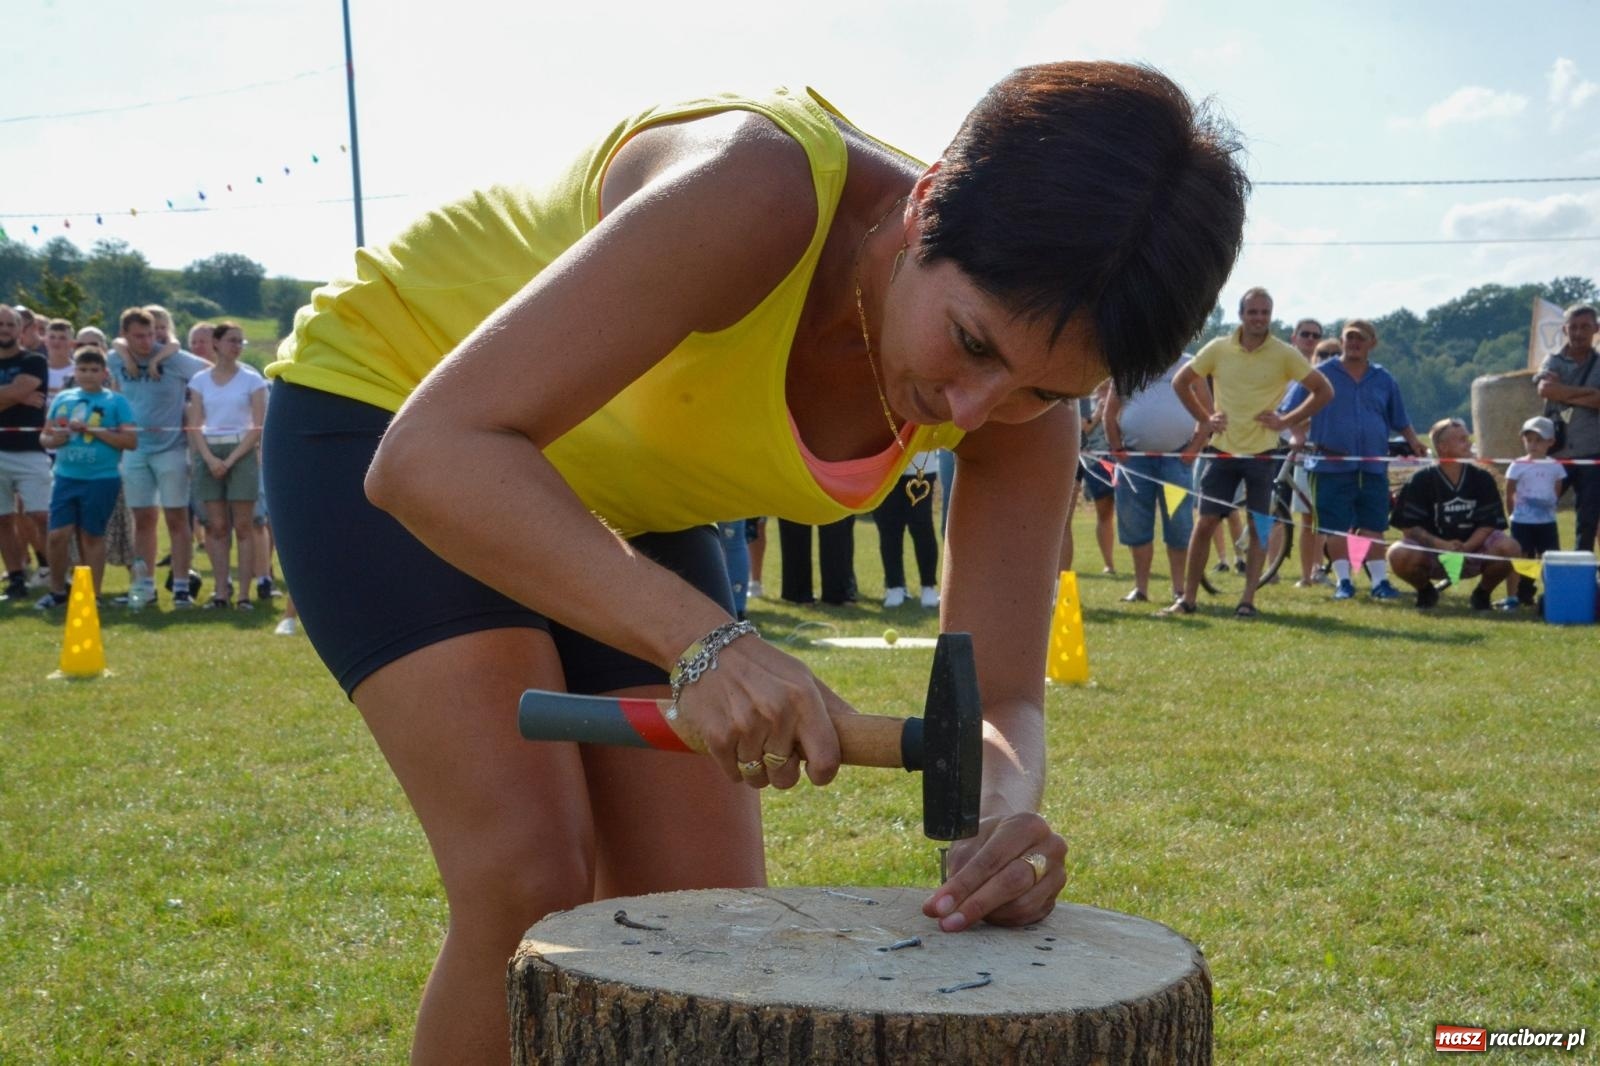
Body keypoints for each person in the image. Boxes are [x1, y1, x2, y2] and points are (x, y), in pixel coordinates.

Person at [263, 64, 1248, 1063]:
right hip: (395, 416)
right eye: (971, 342)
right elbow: (432, 456)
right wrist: (703, 641)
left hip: (629, 496)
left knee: (701, 922)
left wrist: (1001, 812)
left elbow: (999, 698)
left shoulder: (1018, 411)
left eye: (1045, 392)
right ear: (923, 203)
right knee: (527, 877)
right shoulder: (756, 188)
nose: (976, 410)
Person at [1162, 288, 1332, 618]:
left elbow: (1324, 390)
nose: (1259, 318)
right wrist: (1205, 419)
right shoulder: (1218, 348)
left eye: (1265, 312)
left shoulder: (1284, 353)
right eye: (1253, 312)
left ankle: (1247, 600)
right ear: (1241, 315)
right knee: (1205, 523)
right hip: (1222, 451)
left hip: (1263, 454)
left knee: (1259, 526)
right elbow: (1181, 382)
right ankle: (1187, 599)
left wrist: (1286, 420)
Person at [1283, 319, 1425, 601]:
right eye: (1349, 337)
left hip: (1372, 465)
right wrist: (1297, 435)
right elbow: (1289, 408)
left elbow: (1399, 418)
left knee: (1374, 523)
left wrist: (1414, 441)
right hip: (1329, 465)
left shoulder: (1384, 378)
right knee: (1334, 526)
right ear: (1342, 340)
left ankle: (1380, 583)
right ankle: (1344, 582)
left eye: (1360, 338)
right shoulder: (1321, 373)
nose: (1354, 343)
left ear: (1373, 343)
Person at [112, 307, 211, 608]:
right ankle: (144, 587)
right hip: (135, 450)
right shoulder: (115, 357)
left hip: (171, 448)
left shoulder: (175, 358)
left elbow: (213, 373)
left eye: (150, 335)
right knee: (143, 519)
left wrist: (194, 411)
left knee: (177, 518)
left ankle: (181, 587)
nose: (146, 342)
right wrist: (126, 355)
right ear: (125, 335)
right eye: (138, 336)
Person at [35, 347, 138, 606]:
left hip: (101, 479)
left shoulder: (116, 402)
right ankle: (57, 592)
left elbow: (130, 441)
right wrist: (53, 440)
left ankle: (93, 595)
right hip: (65, 477)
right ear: (75, 371)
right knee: (57, 535)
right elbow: (45, 435)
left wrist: (94, 430)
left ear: (104, 373)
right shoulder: (63, 398)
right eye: (82, 369)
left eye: (94, 370)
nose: (88, 375)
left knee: (91, 535)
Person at [1104, 353, 1208, 603]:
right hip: (1134, 462)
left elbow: (1208, 413)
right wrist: (1117, 449)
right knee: (1136, 525)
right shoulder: (1128, 365)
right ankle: (1140, 589)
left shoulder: (1192, 365)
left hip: (1177, 462)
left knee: (1179, 525)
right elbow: (1109, 414)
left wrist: (1194, 449)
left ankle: (1179, 589)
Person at [1387, 419, 1520, 609]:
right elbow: (1409, 528)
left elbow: (1489, 524)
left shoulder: (1482, 478)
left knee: (1510, 547)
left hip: (1474, 551)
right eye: (1462, 440)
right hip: (1432, 553)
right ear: (1443, 447)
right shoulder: (1420, 480)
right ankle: (1426, 591)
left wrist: (1467, 546)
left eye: (1468, 438)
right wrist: (1442, 545)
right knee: (1398, 553)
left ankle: (1482, 594)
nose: (1469, 444)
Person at [187, 321, 268, 609]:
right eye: (232, 340)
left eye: (240, 341)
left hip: (241, 450)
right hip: (209, 450)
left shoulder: (252, 379)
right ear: (216, 343)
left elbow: (257, 425)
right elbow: (194, 424)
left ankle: (244, 594)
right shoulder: (200, 380)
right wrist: (210, 459)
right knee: (217, 526)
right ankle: (221, 592)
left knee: (244, 526)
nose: (237, 346)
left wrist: (232, 459)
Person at [1535, 303, 1599, 553]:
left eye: (1585, 327)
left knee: (1588, 518)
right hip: (1557, 450)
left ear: (1596, 329)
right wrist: (1588, 394)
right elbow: (1545, 390)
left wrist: (1562, 392)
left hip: (1592, 451)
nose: (1578, 333)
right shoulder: (1553, 360)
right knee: (1540, 509)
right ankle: (1542, 563)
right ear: (1564, 329)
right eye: (1573, 327)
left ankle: (1582, 566)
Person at [0, 305, 51, 603]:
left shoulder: (33, 360)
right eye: (0, 324)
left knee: (41, 516)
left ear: (21, 329)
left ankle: (58, 575)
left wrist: (17, 394)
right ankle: (16, 579)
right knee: (3, 519)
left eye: (10, 324)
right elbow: (18, 393)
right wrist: (16, 395)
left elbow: (23, 391)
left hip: (30, 450)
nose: (5, 329)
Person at [1502, 415, 1565, 607]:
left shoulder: (1555, 466)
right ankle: (1519, 594)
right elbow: (1509, 491)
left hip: (1546, 522)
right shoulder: (1517, 465)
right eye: (1529, 440)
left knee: (1549, 557)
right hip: (1522, 521)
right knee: (1522, 557)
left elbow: (1557, 488)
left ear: (1550, 442)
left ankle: (1553, 594)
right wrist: (1513, 514)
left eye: (1539, 440)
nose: (1533, 445)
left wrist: (1549, 506)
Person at [1062, 383, 1116, 575]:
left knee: (1105, 514)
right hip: (1085, 460)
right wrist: (1099, 414)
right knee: (1065, 522)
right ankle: (1060, 577)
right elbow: (1083, 428)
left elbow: (1083, 427)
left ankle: (1109, 564)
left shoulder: (1115, 396)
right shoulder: (1086, 395)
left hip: (1103, 461)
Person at [875, 450, 940, 607]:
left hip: (921, 467)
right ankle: (894, 586)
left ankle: (928, 586)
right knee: (889, 529)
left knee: (922, 527)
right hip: (885, 469)